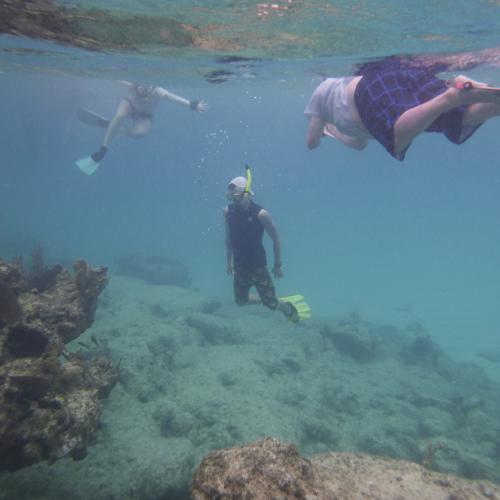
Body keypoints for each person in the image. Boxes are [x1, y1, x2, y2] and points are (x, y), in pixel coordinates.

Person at [305, 52, 500, 161]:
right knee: (449, 117)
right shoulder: (340, 82)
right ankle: (493, 105)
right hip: (397, 72)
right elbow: (359, 144)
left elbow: (311, 142)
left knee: (396, 139)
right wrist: (337, 131)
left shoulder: (320, 93)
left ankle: (451, 97)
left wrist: (327, 129)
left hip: (368, 91)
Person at [224, 167, 310, 323]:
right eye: (230, 197)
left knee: (271, 305)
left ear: (246, 194)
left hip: (257, 265)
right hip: (239, 265)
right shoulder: (227, 212)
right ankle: (269, 297)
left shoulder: (261, 214)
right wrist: (229, 261)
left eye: (235, 197)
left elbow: (276, 238)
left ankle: (285, 307)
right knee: (241, 301)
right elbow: (228, 238)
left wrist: (278, 265)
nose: (232, 201)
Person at [76, 81, 209, 175]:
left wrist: (192, 105)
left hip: (145, 116)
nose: (145, 92)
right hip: (129, 105)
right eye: (143, 89)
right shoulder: (133, 85)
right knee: (120, 116)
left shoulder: (158, 92)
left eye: (148, 90)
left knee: (139, 134)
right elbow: (114, 78)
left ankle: (108, 124)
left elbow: (174, 98)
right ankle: (103, 149)